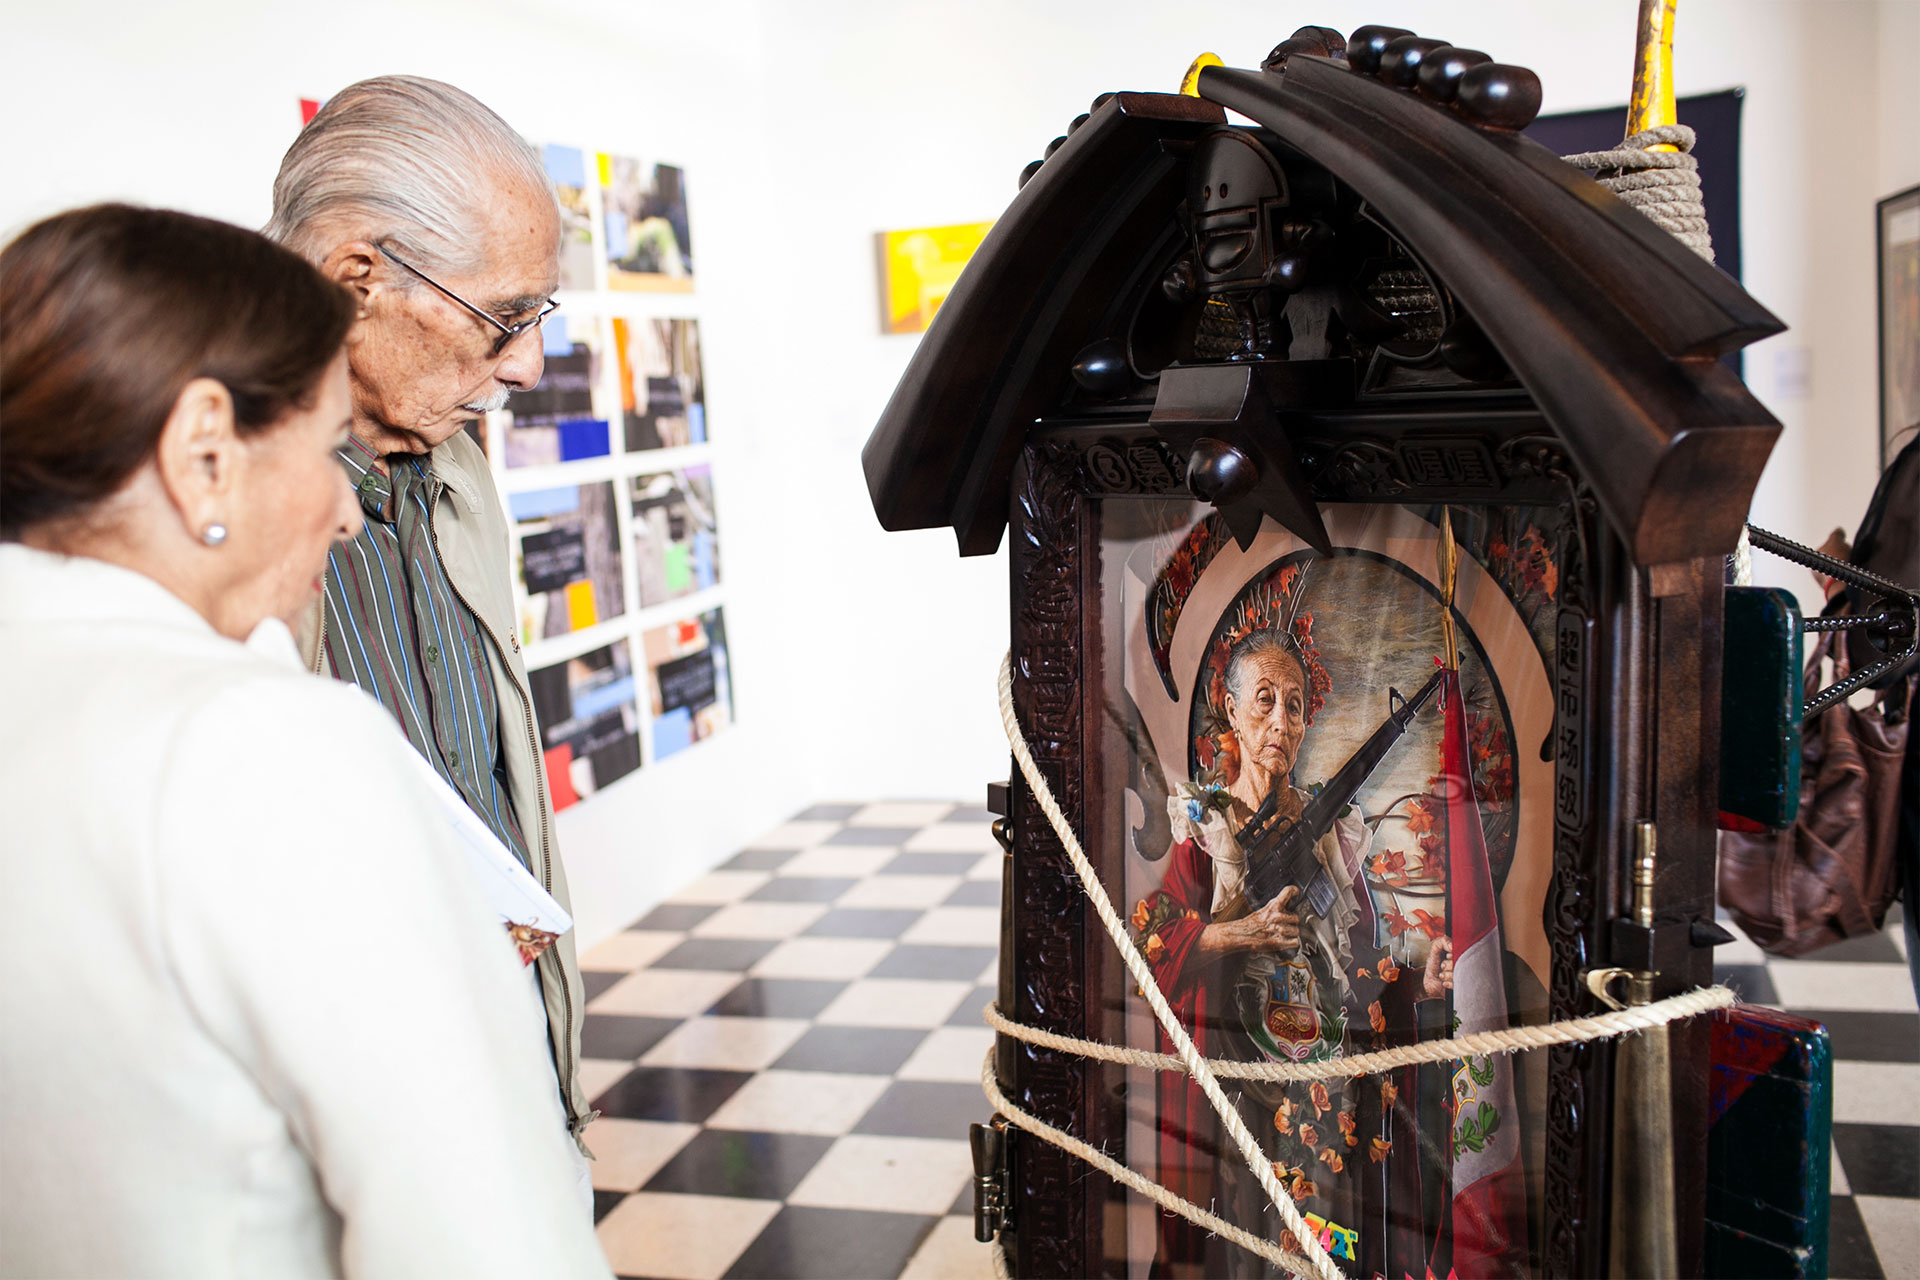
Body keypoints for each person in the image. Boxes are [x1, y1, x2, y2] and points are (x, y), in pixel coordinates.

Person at [0, 204, 611, 1279]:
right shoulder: (258, 743)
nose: (342, 510)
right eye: (327, 444)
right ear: (203, 455)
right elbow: (486, 1241)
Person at [261, 76, 594, 1171]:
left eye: (537, 318)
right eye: (504, 315)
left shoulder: (454, 466)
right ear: (357, 275)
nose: (527, 365)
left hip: (507, 1070)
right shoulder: (214, 523)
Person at [1132, 622, 1451, 1273]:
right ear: (1232, 710)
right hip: (1238, 1096)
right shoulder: (1204, 827)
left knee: (1327, 1245)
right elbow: (1151, 948)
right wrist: (1240, 933)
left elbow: (1364, 964)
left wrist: (1422, 984)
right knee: (1246, 1250)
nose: (1281, 720)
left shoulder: (1332, 838)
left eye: (1296, 705)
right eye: (1265, 699)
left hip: (1323, 1089)